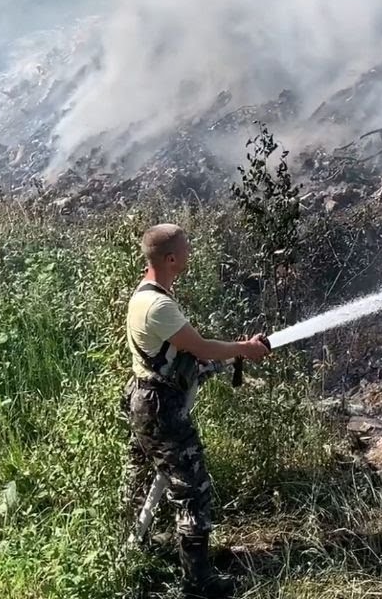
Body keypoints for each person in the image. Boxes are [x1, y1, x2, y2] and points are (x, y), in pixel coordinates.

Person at [121, 223, 269, 598]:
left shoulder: (147, 293)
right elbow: (200, 348)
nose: (190, 254)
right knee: (193, 491)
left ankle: (133, 544)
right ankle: (198, 583)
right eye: (185, 249)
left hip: (145, 399)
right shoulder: (159, 306)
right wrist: (243, 349)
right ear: (170, 259)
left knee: (140, 479)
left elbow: (185, 357)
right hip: (161, 408)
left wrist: (239, 351)